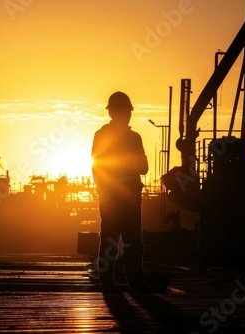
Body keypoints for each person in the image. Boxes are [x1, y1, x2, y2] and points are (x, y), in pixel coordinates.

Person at [91, 91, 149, 292]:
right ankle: (134, 282)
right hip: (126, 197)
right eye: (126, 111)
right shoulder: (132, 138)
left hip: (115, 197)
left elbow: (97, 166)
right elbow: (142, 167)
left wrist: (103, 189)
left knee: (112, 239)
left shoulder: (103, 136)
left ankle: (109, 281)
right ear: (117, 113)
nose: (128, 115)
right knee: (129, 240)